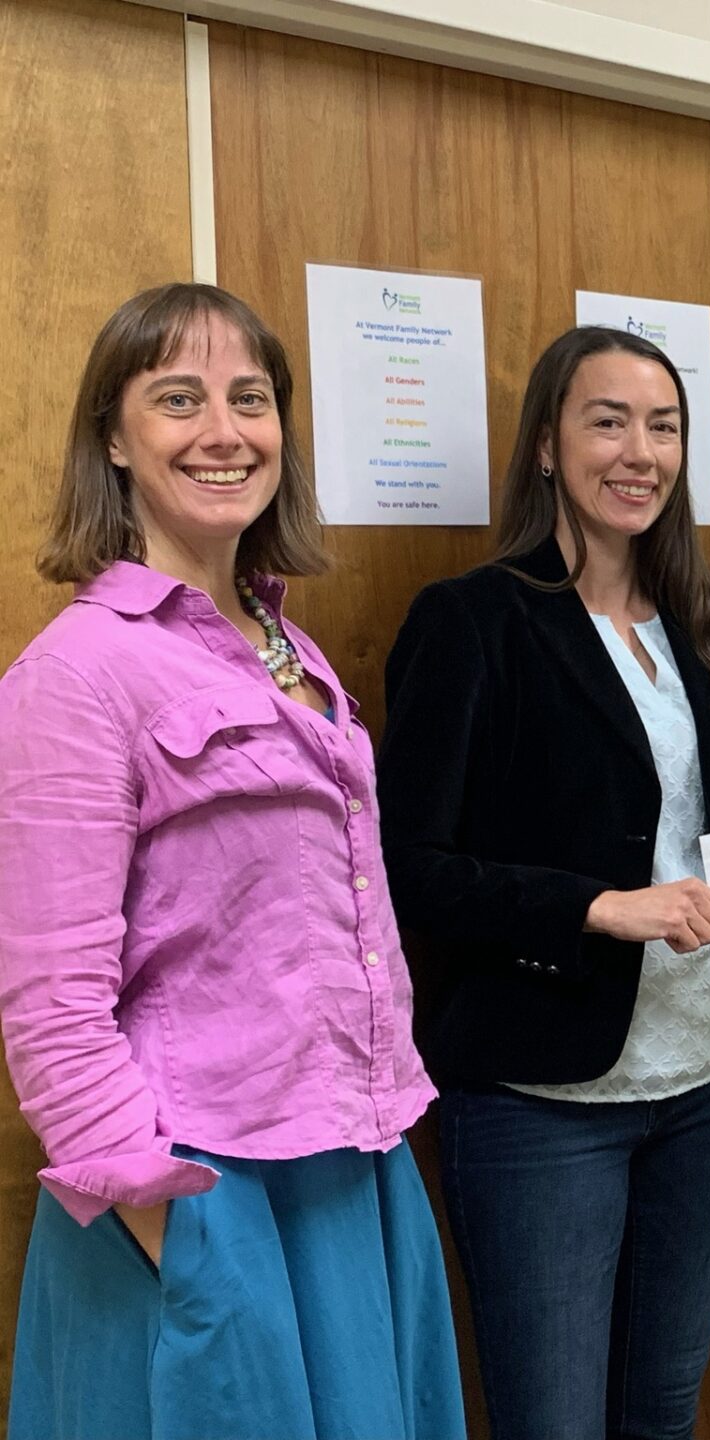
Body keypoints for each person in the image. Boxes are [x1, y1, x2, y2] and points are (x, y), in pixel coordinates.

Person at [0, 283, 462, 1439]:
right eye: (178, 399)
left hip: (351, 1170)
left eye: (250, 399)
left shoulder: (286, 644)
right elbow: (52, 1009)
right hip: (201, 1195)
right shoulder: (76, 672)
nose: (224, 431)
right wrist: (186, 1240)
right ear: (113, 438)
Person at [377, 327, 710, 1440]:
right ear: (548, 446)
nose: (640, 452)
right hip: (543, 1099)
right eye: (608, 422)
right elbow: (406, 870)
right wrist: (596, 908)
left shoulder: (700, 618)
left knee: (663, 1413)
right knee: (551, 1422)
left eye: (664, 427)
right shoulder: (473, 621)